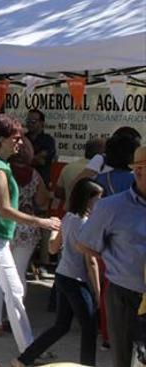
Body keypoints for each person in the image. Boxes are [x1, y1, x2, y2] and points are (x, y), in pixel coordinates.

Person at [0, 115, 61, 367]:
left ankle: (28, 350)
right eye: (16, 138)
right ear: (2, 139)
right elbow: (4, 209)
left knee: (14, 292)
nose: (20, 142)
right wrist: (43, 222)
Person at [12, 179, 103, 367]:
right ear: (88, 201)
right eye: (97, 200)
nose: (99, 204)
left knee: (61, 326)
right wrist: (98, 291)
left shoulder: (68, 218)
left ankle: (24, 359)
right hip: (77, 280)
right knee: (89, 328)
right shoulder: (87, 224)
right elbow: (91, 261)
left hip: (62, 276)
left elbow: (53, 249)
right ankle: (88, 364)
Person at [77, 145, 146, 367]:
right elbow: (84, 244)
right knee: (124, 359)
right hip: (125, 295)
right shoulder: (111, 207)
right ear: (139, 172)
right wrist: (117, 261)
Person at [0, 137, 53, 337]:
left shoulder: (2, 170)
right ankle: (17, 320)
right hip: (27, 227)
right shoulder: (35, 175)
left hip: (3, 224)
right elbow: (41, 202)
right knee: (18, 273)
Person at [25, 109, 56, 186]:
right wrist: (35, 157)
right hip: (24, 183)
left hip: (42, 183)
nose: (29, 123)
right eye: (28, 120)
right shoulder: (22, 139)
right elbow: (17, 160)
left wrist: (26, 157)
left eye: (33, 121)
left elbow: (41, 161)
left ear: (42, 123)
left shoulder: (48, 140)